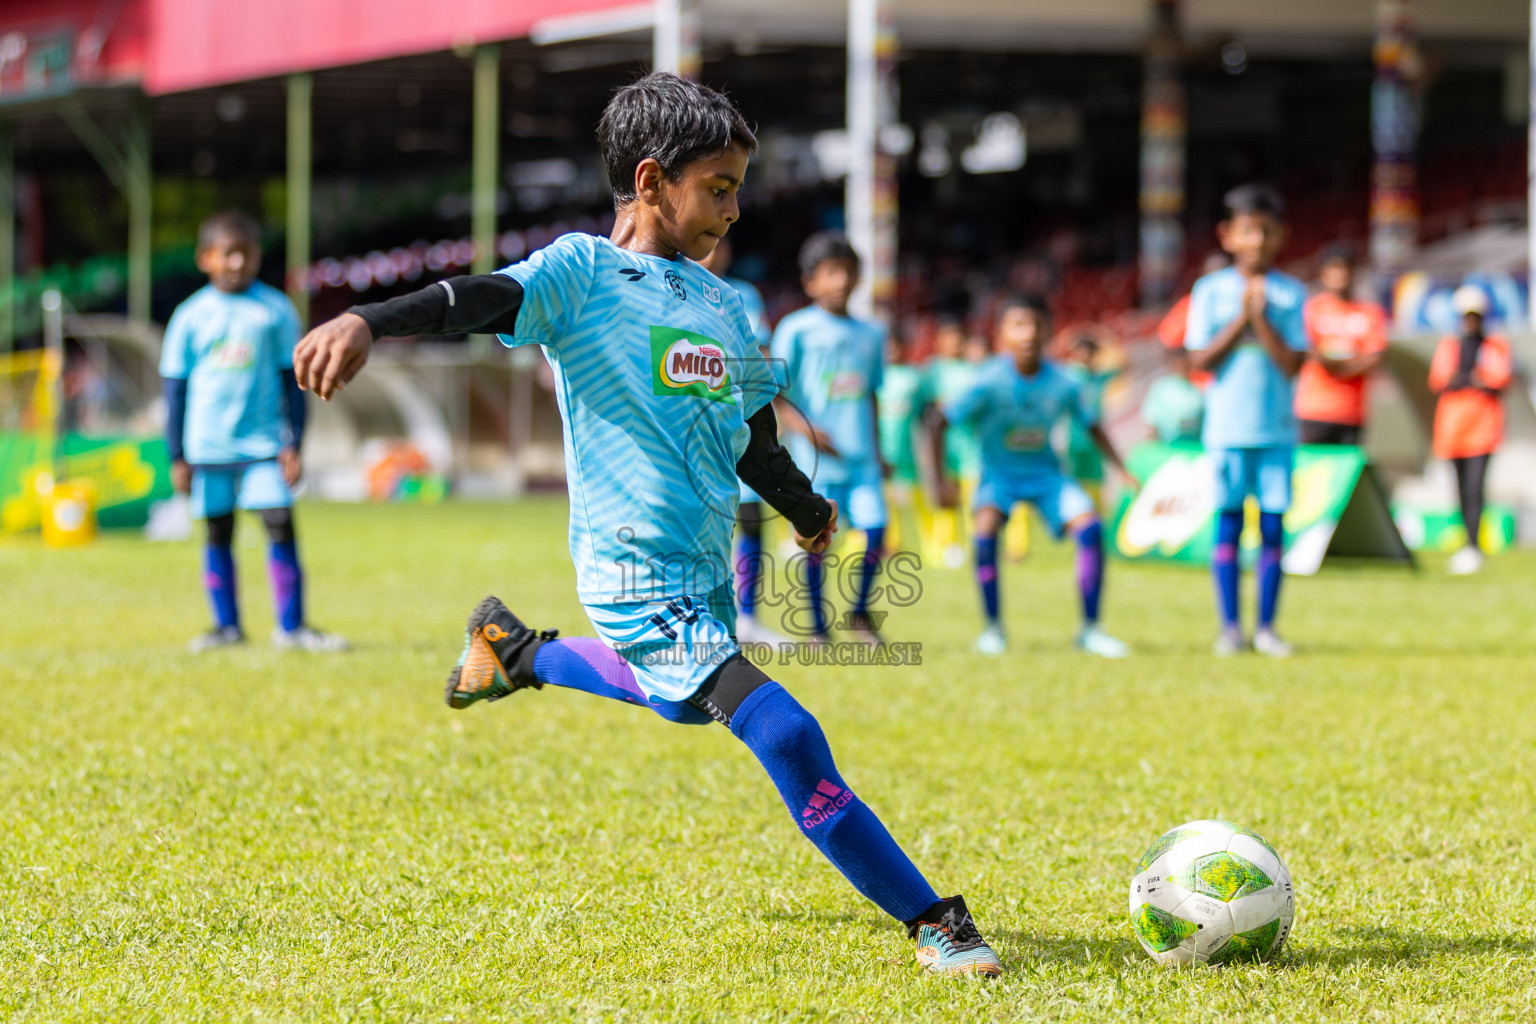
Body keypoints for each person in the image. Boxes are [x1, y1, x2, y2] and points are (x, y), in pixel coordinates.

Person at [291, 73, 1002, 977]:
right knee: (783, 731)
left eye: (740, 187)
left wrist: (804, 507)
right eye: (720, 187)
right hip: (629, 567)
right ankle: (932, 918)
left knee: (679, 701)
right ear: (653, 177)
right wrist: (366, 317)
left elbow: (750, 430)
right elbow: (477, 297)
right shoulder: (581, 273)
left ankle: (514, 652)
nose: (737, 209)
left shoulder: (721, 303)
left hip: (702, 557)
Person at [160, 211, 346, 654]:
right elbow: (174, 391)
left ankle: (292, 627)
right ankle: (226, 627)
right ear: (205, 258)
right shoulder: (190, 316)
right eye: (228, 254)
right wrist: (177, 456)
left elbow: (293, 383)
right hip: (208, 451)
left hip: (264, 448)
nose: (238, 263)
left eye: (247, 254)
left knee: (280, 525)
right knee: (217, 533)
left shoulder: (275, 309)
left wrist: (294, 444)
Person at [931, 295, 1133, 658]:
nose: (1029, 333)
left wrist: (1121, 468)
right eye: (1019, 325)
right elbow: (939, 421)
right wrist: (939, 480)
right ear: (1002, 334)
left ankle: (1091, 629)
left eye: (1037, 325)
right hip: (998, 475)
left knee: (1090, 528)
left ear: (1050, 332)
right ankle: (993, 629)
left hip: (1047, 475)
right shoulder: (987, 380)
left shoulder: (1065, 381)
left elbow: (1093, 425)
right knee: (984, 532)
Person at [1185, 184, 1309, 657]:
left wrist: (1263, 321)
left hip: (1276, 430)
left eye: (1266, 231)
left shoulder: (1290, 293)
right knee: (1229, 527)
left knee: (1274, 530)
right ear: (1227, 235)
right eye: (1247, 231)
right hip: (1227, 431)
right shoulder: (1211, 291)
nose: (1256, 241)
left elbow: (1293, 363)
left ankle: (1268, 628)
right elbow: (1200, 360)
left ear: (1281, 236)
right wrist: (1240, 320)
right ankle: (1230, 627)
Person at [771, 232, 889, 647]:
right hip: (814, 459)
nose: (841, 281)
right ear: (811, 282)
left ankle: (859, 614)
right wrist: (806, 431)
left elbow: (872, 393)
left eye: (849, 272)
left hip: (861, 458)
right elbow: (777, 392)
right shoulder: (796, 329)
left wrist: (879, 449)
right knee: (816, 539)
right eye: (831, 272)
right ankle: (817, 626)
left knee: (876, 529)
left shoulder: (872, 332)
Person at [698, 238, 786, 643]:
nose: (715, 252)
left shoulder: (742, 295)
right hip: (697, 424)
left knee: (750, 520)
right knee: (703, 521)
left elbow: (759, 354)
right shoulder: (671, 286)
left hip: (741, 418)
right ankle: (702, 616)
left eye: (722, 244)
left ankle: (747, 617)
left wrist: (767, 412)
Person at [1428, 284, 1512, 576]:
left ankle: (1474, 545)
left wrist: (1469, 379)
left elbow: (1498, 379)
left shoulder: (1495, 346)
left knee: (1476, 489)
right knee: (1460, 490)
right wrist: (1472, 379)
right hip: (1452, 430)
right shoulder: (1449, 346)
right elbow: (1440, 379)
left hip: (1483, 430)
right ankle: (1465, 542)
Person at [1294, 244, 1389, 445]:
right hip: (1314, 411)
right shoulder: (1311, 310)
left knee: (1347, 472)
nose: (1340, 275)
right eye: (1334, 268)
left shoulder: (1370, 312)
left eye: (1346, 268)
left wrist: (1335, 364)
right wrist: (1350, 362)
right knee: (1310, 473)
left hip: (1352, 413)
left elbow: (1375, 358)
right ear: (1323, 274)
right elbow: (1311, 352)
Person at [924, 314, 982, 568]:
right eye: (948, 339)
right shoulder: (932, 372)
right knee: (945, 500)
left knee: (973, 501)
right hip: (944, 450)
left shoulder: (974, 372)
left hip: (971, 448)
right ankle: (944, 549)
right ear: (939, 342)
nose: (954, 344)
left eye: (958, 339)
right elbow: (924, 408)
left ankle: (979, 546)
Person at [877, 333, 931, 560]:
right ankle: (891, 544)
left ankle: (933, 544)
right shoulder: (876, 377)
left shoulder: (914, 378)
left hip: (908, 451)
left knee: (920, 501)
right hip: (882, 451)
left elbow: (927, 411)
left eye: (895, 346)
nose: (891, 352)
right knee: (886, 501)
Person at [1141, 345, 1205, 444]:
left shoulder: (1201, 387)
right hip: (1169, 449)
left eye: (1184, 358)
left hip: (1196, 448)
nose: (1181, 363)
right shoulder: (1160, 388)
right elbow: (1153, 426)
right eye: (1177, 359)